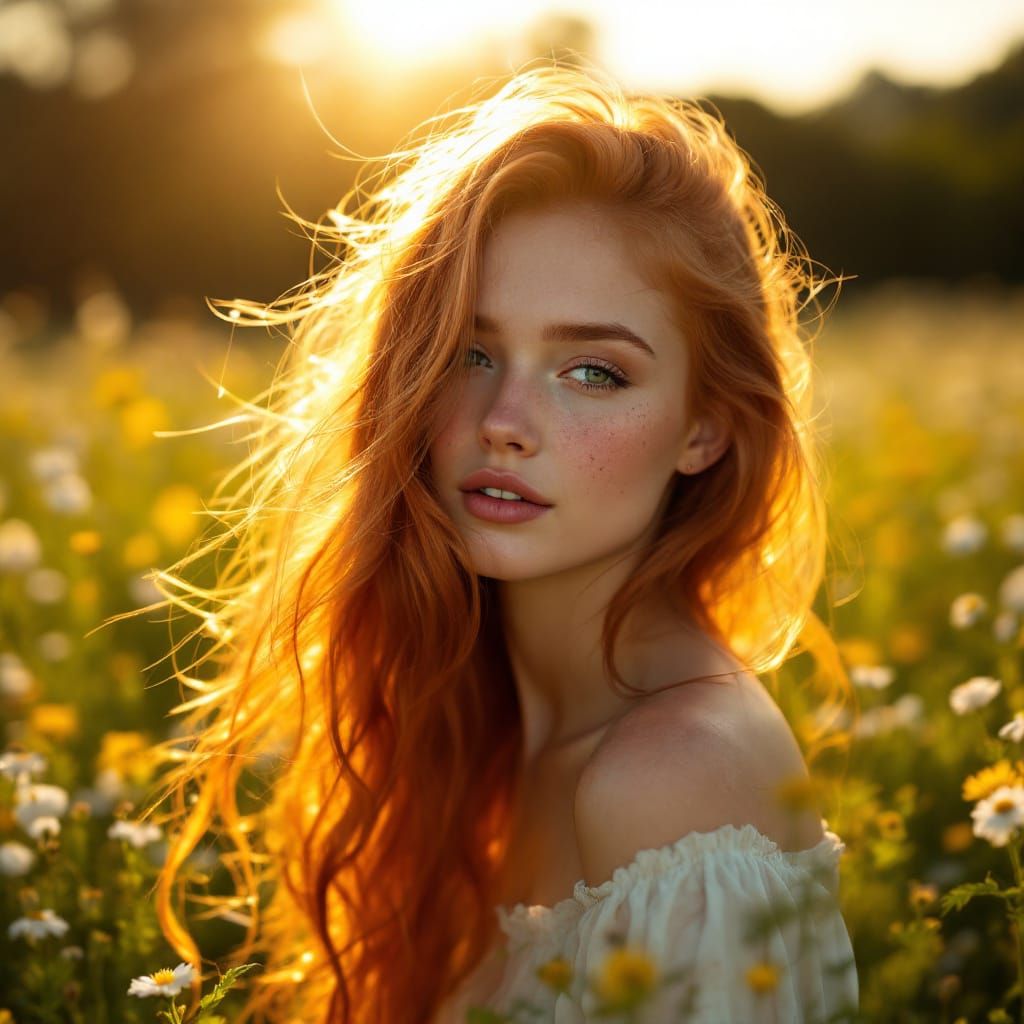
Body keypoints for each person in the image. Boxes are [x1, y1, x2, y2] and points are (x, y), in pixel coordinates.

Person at [151, 61, 859, 1023]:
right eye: (470, 353)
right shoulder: (469, 713)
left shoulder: (674, 776)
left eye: (594, 372)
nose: (505, 420)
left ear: (707, 427)